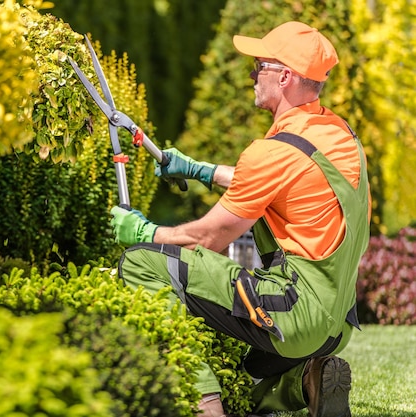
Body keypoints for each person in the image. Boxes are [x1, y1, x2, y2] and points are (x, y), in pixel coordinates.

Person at [110, 21, 370, 417]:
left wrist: (144, 232)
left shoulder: (271, 153)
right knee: (240, 372)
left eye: (259, 65)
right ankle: (306, 382)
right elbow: (283, 182)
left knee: (143, 262)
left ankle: (204, 405)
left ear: (284, 76)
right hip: (336, 326)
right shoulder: (337, 134)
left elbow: (209, 237)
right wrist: (199, 170)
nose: (251, 73)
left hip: (293, 312)